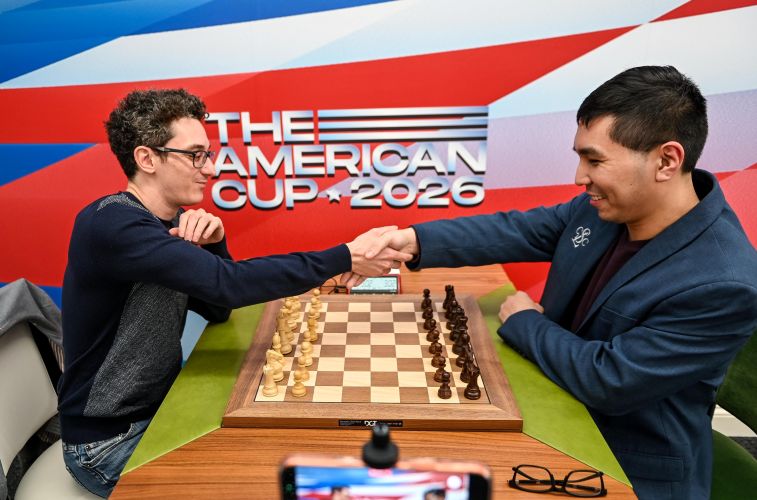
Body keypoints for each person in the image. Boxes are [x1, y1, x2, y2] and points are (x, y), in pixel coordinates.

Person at [357, 66, 757, 499]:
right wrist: (411, 241)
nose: (579, 177)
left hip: (624, 463)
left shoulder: (723, 283)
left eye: (595, 160)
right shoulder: (606, 208)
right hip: (549, 399)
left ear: (666, 160)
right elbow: (517, 230)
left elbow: (609, 380)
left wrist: (524, 321)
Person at [57, 88, 411, 497]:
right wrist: (345, 256)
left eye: (206, 154)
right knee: (255, 484)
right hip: (107, 443)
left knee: (282, 456)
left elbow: (218, 307)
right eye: (195, 155)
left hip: (162, 410)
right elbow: (231, 285)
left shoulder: (169, 225)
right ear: (147, 158)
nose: (209, 168)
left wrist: (214, 245)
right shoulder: (113, 225)